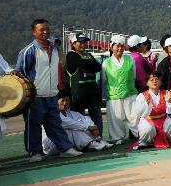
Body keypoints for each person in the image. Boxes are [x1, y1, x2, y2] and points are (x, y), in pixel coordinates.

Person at [16, 19, 83, 161]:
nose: (45, 31)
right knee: (33, 125)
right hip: (35, 96)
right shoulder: (28, 51)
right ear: (34, 32)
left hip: (52, 94)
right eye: (41, 29)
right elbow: (19, 74)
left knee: (55, 124)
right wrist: (26, 95)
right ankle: (34, 153)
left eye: (47, 28)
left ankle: (65, 148)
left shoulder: (54, 48)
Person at [43, 93, 113, 154]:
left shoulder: (72, 113)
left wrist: (93, 127)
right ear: (56, 101)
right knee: (73, 128)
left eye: (67, 100)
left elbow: (86, 119)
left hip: (65, 144)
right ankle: (91, 143)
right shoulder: (52, 114)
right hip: (51, 145)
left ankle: (95, 142)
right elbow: (69, 123)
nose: (65, 103)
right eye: (62, 100)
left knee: (80, 124)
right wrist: (88, 127)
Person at [101, 35, 139, 144]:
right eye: (117, 46)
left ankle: (141, 135)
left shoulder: (130, 59)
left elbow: (134, 76)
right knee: (116, 119)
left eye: (122, 46)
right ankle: (117, 138)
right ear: (111, 47)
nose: (120, 49)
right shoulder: (106, 63)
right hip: (114, 96)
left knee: (134, 117)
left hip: (130, 93)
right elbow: (104, 80)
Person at [64, 33, 103, 135]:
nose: (83, 44)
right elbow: (82, 64)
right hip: (78, 95)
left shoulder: (89, 55)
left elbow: (98, 67)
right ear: (73, 44)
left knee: (97, 117)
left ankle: (98, 138)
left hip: (93, 93)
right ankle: (82, 140)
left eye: (85, 42)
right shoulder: (71, 55)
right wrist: (90, 67)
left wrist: (87, 67)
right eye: (80, 42)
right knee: (79, 119)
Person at [131, 71, 171, 149]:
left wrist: (169, 101)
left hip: (163, 119)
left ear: (160, 82)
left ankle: (168, 138)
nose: (155, 81)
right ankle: (146, 141)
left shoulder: (166, 93)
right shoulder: (142, 96)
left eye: (157, 79)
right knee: (147, 128)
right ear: (147, 83)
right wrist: (146, 104)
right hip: (148, 120)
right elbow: (139, 113)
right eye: (151, 80)